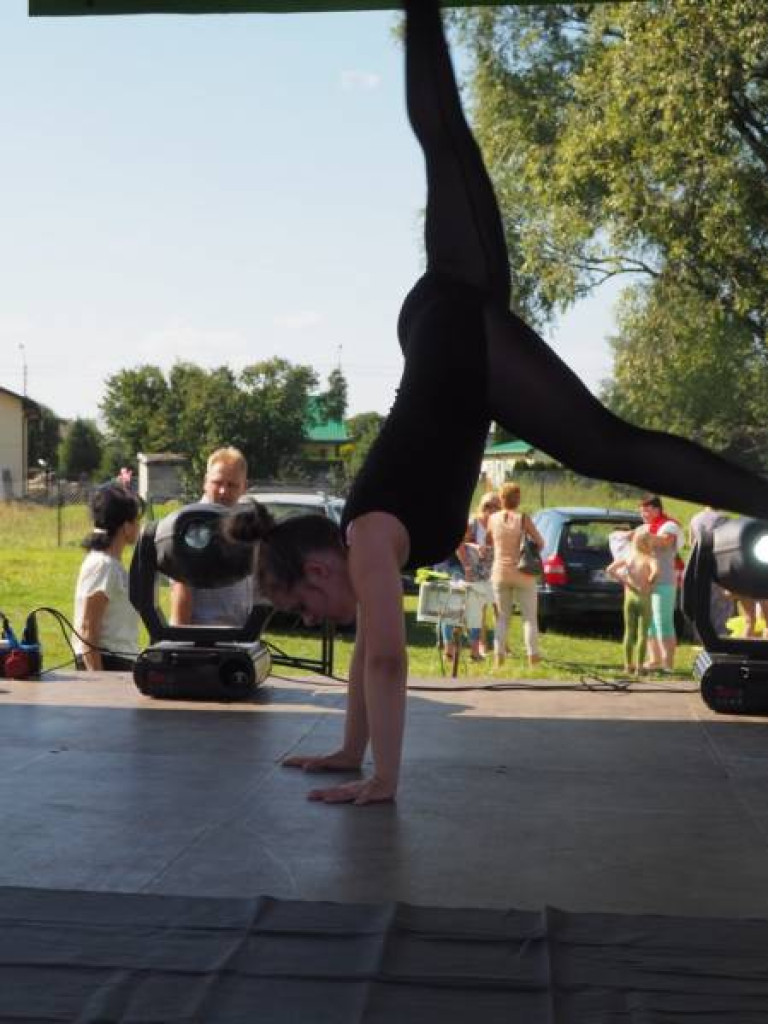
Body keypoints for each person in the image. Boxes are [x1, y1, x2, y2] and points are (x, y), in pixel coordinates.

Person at [226, 0, 768, 806]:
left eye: (305, 603)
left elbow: (383, 661)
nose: (319, 619)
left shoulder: (368, 537)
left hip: (453, 310)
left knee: (603, 442)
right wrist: (347, 749)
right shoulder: (365, 546)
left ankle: (421, 5)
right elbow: (372, 647)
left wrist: (382, 777)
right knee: (602, 445)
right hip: (447, 333)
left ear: (316, 566)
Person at [170, 447, 255, 627]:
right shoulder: (191, 524)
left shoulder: (243, 524)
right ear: (205, 482)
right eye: (217, 483)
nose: (223, 491)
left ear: (244, 487)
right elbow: (181, 587)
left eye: (232, 485)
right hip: (203, 640)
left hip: (239, 636)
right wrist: (180, 643)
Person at [73, 484, 142, 671]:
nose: (139, 526)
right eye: (136, 520)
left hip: (121, 661)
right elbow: (89, 629)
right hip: (107, 663)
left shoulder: (113, 566)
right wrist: (100, 682)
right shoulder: (103, 565)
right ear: (126, 526)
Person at [486, 482, 544, 668]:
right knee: (529, 618)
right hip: (523, 573)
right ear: (518, 499)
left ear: (501, 498)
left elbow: (489, 541)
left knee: (502, 617)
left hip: (500, 572)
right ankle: (533, 657)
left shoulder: (492, 519)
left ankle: (499, 657)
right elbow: (541, 543)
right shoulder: (523, 518)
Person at [636, 496, 684, 673]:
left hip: (664, 580)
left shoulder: (669, 525)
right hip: (647, 581)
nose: (643, 514)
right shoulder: (645, 527)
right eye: (641, 511)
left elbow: (665, 541)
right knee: (650, 622)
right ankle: (654, 660)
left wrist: (644, 536)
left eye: (646, 510)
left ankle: (668, 664)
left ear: (657, 510)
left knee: (663, 621)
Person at [607, 530, 658, 676]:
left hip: (630, 596)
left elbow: (610, 569)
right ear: (648, 543)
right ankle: (639, 667)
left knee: (629, 632)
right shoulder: (650, 559)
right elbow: (656, 572)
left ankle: (627, 665)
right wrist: (650, 581)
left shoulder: (628, 557)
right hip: (644, 597)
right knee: (643, 634)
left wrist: (626, 582)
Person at [688, 505, 733, 636]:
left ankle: (700, 635)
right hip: (718, 564)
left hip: (699, 564)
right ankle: (720, 634)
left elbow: (692, 543)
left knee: (702, 600)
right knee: (721, 602)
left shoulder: (695, 518)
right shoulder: (724, 519)